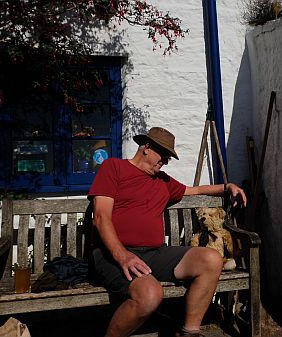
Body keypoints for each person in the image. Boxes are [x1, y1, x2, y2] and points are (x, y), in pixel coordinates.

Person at [87, 127, 247, 337]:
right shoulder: (114, 167)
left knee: (211, 258)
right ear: (146, 148)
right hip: (113, 254)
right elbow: (100, 217)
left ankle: (189, 332)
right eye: (163, 155)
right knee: (151, 295)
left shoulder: (163, 181)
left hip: (155, 254)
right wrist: (123, 255)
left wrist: (228, 187)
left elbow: (195, 190)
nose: (165, 162)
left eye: (168, 158)